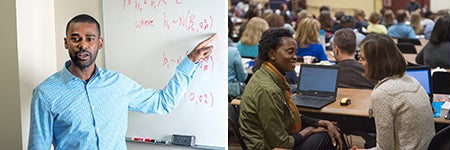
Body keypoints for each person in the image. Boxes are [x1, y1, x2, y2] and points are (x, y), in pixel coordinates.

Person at [28, 14, 216, 149]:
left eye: (90, 39)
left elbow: (163, 103)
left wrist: (191, 60)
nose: (83, 45)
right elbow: (38, 146)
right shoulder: (45, 94)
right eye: (75, 39)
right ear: (66, 43)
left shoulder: (117, 84)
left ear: (99, 43)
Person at [239, 28, 346, 150]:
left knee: (331, 129)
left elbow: (287, 115)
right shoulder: (268, 90)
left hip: (272, 141)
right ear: (272, 54)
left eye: (295, 52)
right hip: (269, 147)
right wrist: (310, 130)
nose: (295, 57)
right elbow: (282, 144)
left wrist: (319, 122)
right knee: (327, 136)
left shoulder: (265, 75)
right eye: (290, 52)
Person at [359, 33, 435, 149]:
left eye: (363, 58)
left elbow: (385, 148)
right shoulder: (412, 80)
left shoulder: (382, 93)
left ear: (375, 63)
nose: (359, 62)